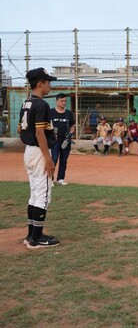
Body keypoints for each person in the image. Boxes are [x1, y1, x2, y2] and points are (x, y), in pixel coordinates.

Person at [17, 67, 60, 249]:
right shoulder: (41, 104)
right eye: (48, 82)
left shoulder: (26, 102)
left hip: (30, 151)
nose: (50, 85)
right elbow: (40, 133)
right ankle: (37, 238)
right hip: (39, 152)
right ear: (40, 84)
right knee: (43, 194)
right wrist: (48, 158)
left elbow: (20, 129)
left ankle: (31, 235)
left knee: (35, 194)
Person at [50, 93, 75, 186]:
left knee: (64, 160)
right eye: (62, 101)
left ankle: (60, 178)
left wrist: (70, 134)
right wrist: (51, 134)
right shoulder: (51, 112)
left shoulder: (68, 113)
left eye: (65, 101)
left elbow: (72, 125)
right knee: (54, 159)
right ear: (56, 101)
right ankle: (50, 179)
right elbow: (46, 125)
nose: (64, 103)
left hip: (66, 140)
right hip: (54, 140)